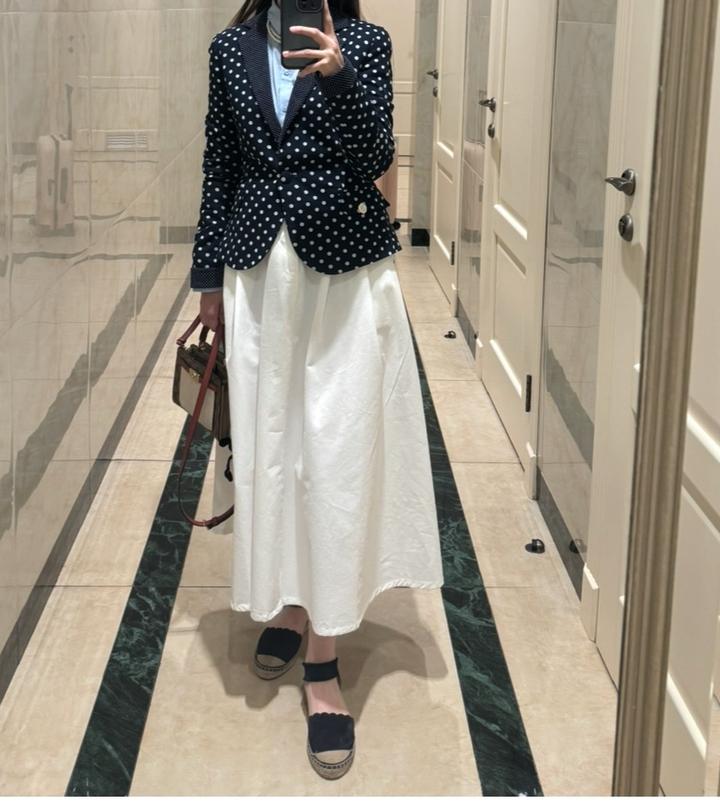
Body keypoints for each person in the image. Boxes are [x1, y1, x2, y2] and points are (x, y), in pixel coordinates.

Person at [190, 0, 444, 780]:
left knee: (334, 453)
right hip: (256, 277)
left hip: (344, 279)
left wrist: (337, 79)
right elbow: (220, 164)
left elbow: (376, 154)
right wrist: (207, 280)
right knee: (276, 452)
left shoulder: (365, 42)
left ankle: (325, 656)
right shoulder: (228, 50)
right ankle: (294, 602)